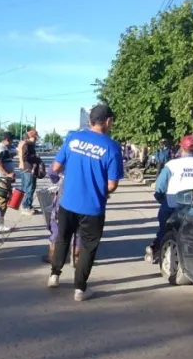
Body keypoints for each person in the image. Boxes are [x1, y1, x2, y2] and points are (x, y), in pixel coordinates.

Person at [48, 104, 124, 302]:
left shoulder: (73, 138)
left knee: (62, 238)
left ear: (90, 121)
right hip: (92, 207)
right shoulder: (112, 147)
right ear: (108, 121)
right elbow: (112, 184)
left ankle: (54, 275)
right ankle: (80, 289)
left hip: (67, 202)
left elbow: (55, 167)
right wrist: (99, 189)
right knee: (88, 247)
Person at [145, 134, 193, 264]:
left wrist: (161, 199)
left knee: (165, 229)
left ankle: (157, 250)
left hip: (172, 204)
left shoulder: (172, 164)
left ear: (181, 148)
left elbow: (160, 187)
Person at [17, 129, 42, 215]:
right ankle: (26, 207)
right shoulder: (27, 144)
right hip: (28, 169)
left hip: (24, 168)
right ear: (31, 137)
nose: (36, 140)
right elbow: (25, 158)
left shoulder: (23, 143)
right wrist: (36, 157)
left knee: (26, 188)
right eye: (35, 138)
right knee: (29, 188)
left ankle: (27, 205)